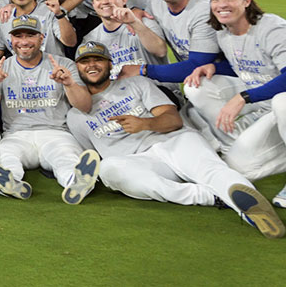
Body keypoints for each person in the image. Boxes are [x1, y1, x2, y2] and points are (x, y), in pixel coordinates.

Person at [66, 42, 284, 239]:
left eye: (98, 59)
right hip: (140, 161)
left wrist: (145, 123)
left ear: (110, 64)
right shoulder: (75, 116)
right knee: (108, 169)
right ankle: (208, 195)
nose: (92, 65)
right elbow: (92, 154)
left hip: (174, 141)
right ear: (78, 68)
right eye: (85, 61)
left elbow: (173, 119)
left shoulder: (136, 84)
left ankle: (251, 210)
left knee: (211, 169)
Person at [146, 0, 286, 197]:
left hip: (277, 100)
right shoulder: (224, 32)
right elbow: (251, 67)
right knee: (241, 167)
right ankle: (237, 143)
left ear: (246, 1)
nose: (222, 4)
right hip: (265, 105)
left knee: (283, 101)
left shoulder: (272, 28)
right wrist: (213, 67)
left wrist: (244, 97)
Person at [0, 16, 99, 203]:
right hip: (17, 135)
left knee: (66, 158)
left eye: (30, 35)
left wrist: (69, 83)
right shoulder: (1, 68)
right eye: (18, 36)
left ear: (42, 38)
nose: (24, 41)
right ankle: (11, 183)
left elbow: (85, 106)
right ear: (11, 40)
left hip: (56, 133)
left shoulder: (63, 64)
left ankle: (76, 182)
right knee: (6, 157)